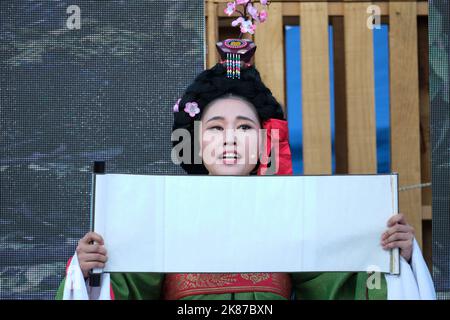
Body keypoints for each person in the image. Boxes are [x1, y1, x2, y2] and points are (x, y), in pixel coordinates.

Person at [56, 51, 435, 300]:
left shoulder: (295, 212)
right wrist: (90, 272)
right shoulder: (161, 213)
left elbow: (344, 284)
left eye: (244, 127)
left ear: (264, 142)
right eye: (216, 128)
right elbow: (121, 288)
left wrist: (392, 257)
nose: (230, 139)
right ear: (194, 141)